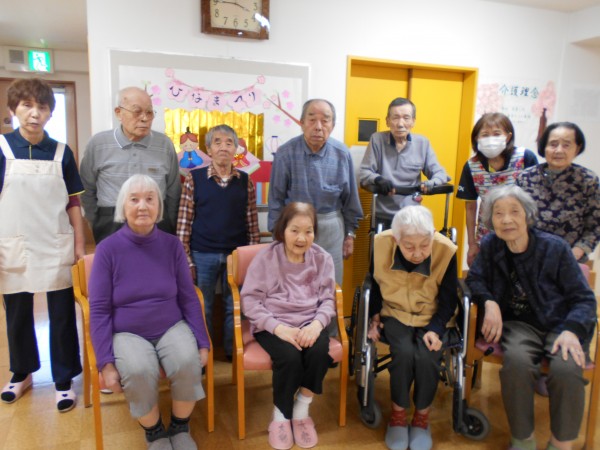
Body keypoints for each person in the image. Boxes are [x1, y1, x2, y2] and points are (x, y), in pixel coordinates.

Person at [466, 184, 596, 450]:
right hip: (519, 325)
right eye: (498, 213)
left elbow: (584, 298)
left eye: (514, 211)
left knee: (567, 368)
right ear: (491, 220)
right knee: (516, 364)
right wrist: (489, 302)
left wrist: (572, 329)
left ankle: (561, 444)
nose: (506, 220)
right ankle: (522, 440)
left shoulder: (555, 248)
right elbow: (475, 279)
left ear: (528, 214)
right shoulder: (491, 245)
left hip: (560, 323)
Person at [89, 174, 210, 450]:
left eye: (149, 199)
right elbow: (98, 310)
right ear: (123, 206)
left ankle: (180, 427)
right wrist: (105, 363)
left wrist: (203, 342)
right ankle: (155, 433)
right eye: (134, 199)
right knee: (139, 370)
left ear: (159, 206)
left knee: (187, 361)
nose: (142, 206)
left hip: (171, 325)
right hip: (127, 332)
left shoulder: (172, 245)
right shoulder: (107, 250)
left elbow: (189, 297)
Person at [0, 78, 83, 412]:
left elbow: (74, 203)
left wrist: (80, 245)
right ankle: (22, 372)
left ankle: (64, 378)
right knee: (17, 312)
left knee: (62, 314)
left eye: (42, 107)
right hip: (13, 242)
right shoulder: (2, 147)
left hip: (54, 241)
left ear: (50, 113)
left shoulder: (62, 152)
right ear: (13, 109)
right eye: (27, 106)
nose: (34, 113)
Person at [241, 202, 336, 450]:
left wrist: (316, 325)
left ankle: (301, 410)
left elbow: (328, 300)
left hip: (310, 321)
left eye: (308, 231)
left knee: (318, 353)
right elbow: (249, 301)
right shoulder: (266, 258)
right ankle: (281, 416)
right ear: (282, 230)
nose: (302, 238)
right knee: (290, 358)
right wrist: (278, 328)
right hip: (273, 323)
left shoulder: (322, 259)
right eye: (294, 230)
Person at [367, 205, 457, 450]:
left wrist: (436, 329)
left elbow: (449, 298)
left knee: (428, 355)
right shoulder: (381, 244)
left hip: (432, 317)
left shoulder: (446, 251)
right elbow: (373, 285)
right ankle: (398, 414)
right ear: (396, 239)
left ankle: (421, 417)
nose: (418, 253)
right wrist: (373, 318)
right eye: (409, 246)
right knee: (404, 352)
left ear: (433, 235)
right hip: (394, 313)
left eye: (425, 245)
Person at [177, 124, 259, 361]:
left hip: (236, 255)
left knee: (235, 306)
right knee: (203, 305)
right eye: (218, 142)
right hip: (202, 253)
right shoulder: (194, 179)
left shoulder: (245, 181)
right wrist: (187, 261)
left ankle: (233, 352)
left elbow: (252, 223)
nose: (224, 147)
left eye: (229, 143)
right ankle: (204, 354)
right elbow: (184, 224)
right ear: (208, 149)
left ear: (236, 149)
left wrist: (251, 259)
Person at [268, 99, 363, 285]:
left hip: (331, 228)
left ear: (332, 125)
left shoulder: (342, 153)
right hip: (295, 228)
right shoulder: (285, 153)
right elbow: (276, 199)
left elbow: (350, 199)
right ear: (302, 123)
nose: (318, 127)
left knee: (330, 285)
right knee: (295, 286)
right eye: (312, 120)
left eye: (325, 120)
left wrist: (350, 235)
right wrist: (278, 237)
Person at [80, 86, 181, 244]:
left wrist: (169, 222)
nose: (144, 118)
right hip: (111, 220)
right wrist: (97, 221)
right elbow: (86, 188)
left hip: (155, 219)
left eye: (149, 112)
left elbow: (173, 190)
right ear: (118, 113)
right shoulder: (98, 144)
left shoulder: (164, 144)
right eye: (137, 111)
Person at [456, 113, 538, 266]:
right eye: (485, 135)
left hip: (521, 233)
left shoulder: (525, 158)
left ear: (508, 137)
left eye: (496, 134)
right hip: (487, 235)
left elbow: (535, 201)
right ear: (476, 139)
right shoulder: (472, 166)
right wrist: (472, 244)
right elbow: (470, 207)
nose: (490, 139)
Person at [359, 97, 449, 229]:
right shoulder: (377, 140)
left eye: (406, 118)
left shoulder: (423, 143)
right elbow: (364, 172)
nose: (400, 124)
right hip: (383, 215)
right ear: (387, 121)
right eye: (395, 118)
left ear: (413, 121)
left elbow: (440, 173)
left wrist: (431, 183)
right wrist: (378, 179)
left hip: (412, 215)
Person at [516, 122, 600, 262]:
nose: (559, 150)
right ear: (544, 147)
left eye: (566, 145)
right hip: (528, 256)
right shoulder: (525, 177)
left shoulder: (588, 180)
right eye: (553, 144)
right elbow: (515, 217)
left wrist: (576, 252)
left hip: (570, 258)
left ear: (577, 148)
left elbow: (595, 225)